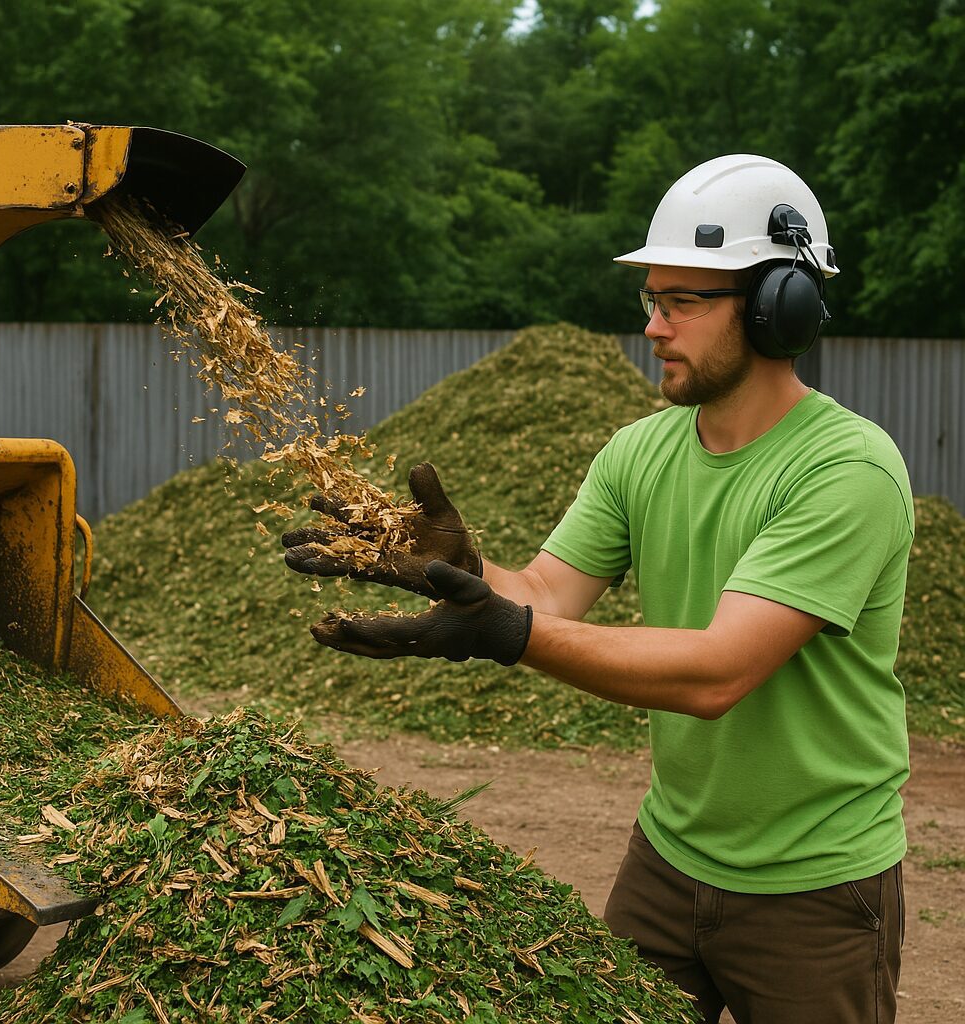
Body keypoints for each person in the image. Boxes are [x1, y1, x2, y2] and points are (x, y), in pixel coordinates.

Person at [281, 154, 913, 1024]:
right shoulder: (638, 452)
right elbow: (544, 590)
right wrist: (450, 562)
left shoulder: (848, 469)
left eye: (684, 301)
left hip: (815, 890)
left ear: (779, 307)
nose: (654, 326)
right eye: (650, 299)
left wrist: (506, 631)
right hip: (667, 863)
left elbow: (717, 674)